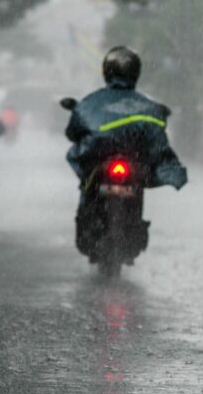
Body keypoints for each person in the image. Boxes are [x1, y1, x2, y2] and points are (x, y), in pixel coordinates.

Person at [65, 46, 187, 252]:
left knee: (90, 178)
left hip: (117, 164)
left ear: (106, 71)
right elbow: (157, 142)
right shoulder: (148, 105)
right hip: (125, 164)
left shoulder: (91, 102)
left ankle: (96, 219)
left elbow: (73, 133)